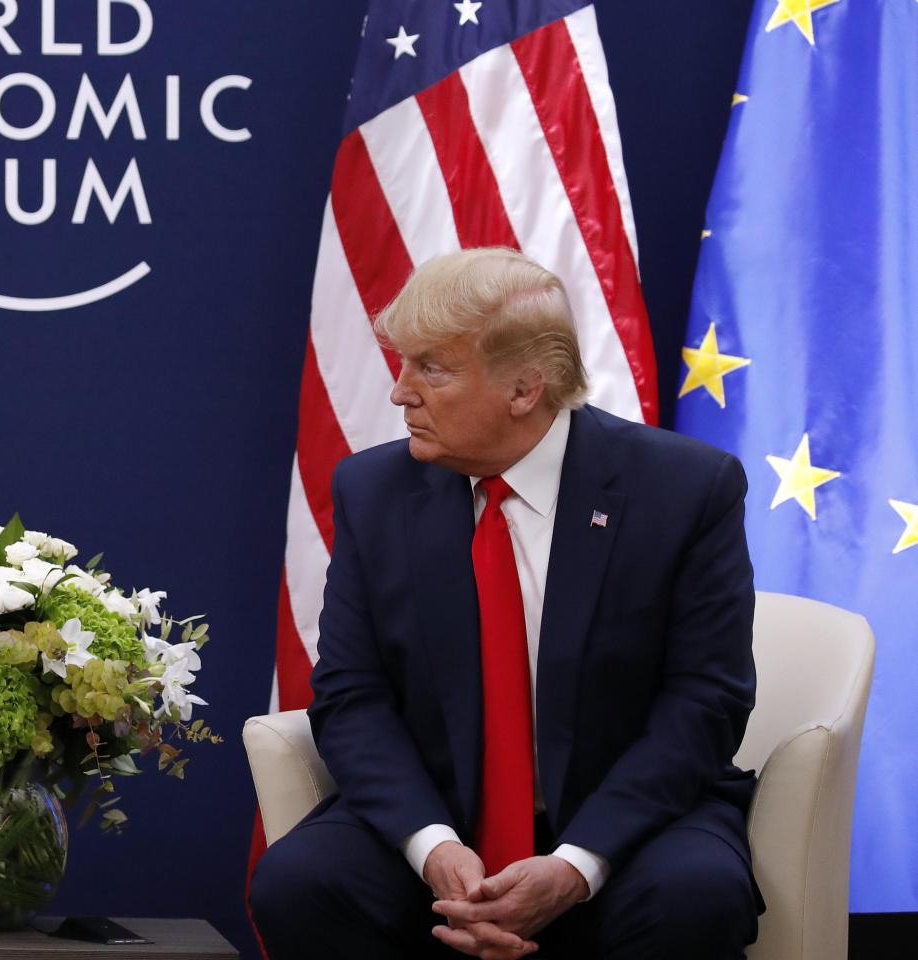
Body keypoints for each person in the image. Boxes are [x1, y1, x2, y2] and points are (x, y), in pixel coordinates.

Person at [250, 248, 761, 959]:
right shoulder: (374, 493)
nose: (401, 393)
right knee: (300, 883)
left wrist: (576, 865)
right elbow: (351, 696)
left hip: (627, 822)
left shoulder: (684, 491)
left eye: (431, 367)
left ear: (526, 389)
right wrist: (433, 847)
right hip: (442, 815)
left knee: (695, 898)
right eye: (403, 364)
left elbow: (706, 701)